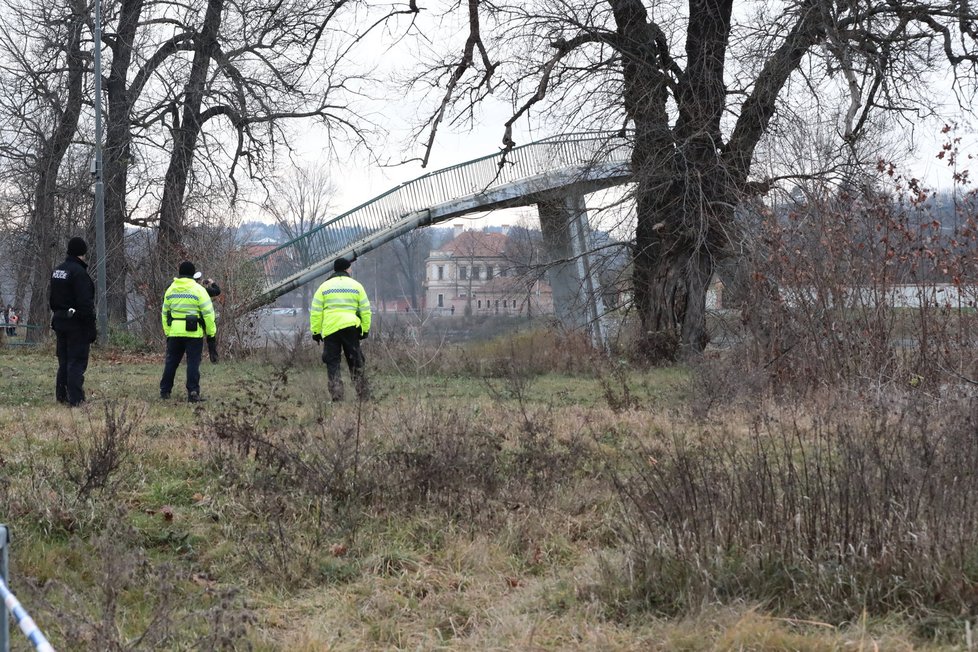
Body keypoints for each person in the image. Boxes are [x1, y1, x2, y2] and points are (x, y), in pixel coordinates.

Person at [310, 256, 371, 401]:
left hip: (331, 329)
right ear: (347, 269)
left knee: (332, 362)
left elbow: (316, 311)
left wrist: (316, 332)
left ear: (334, 269)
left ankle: (337, 397)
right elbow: (365, 310)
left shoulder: (324, 287)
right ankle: (363, 396)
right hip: (351, 328)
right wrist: (364, 329)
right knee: (356, 361)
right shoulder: (356, 286)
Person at [49, 236, 97, 406]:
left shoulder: (58, 271)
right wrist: (90, 328)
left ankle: (61, 396)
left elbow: (52, 300)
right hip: (77, 324)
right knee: (76, 361)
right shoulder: (79, 273)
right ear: (82, 253)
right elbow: (86, 304)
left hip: (60, 321)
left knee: (64, 361)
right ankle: (76, 399)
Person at [159, 261, 217, 402]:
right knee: (193, 363)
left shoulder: (171, 289)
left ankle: (165, 391)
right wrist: (211, 334)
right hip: (193, 333)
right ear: (193, 274)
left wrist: (168, 332)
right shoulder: (199, 290)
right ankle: (193, 392)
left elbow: (165, 313)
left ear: (179, 273)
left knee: (171, 362)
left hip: (174, 332)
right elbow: (209, 315)